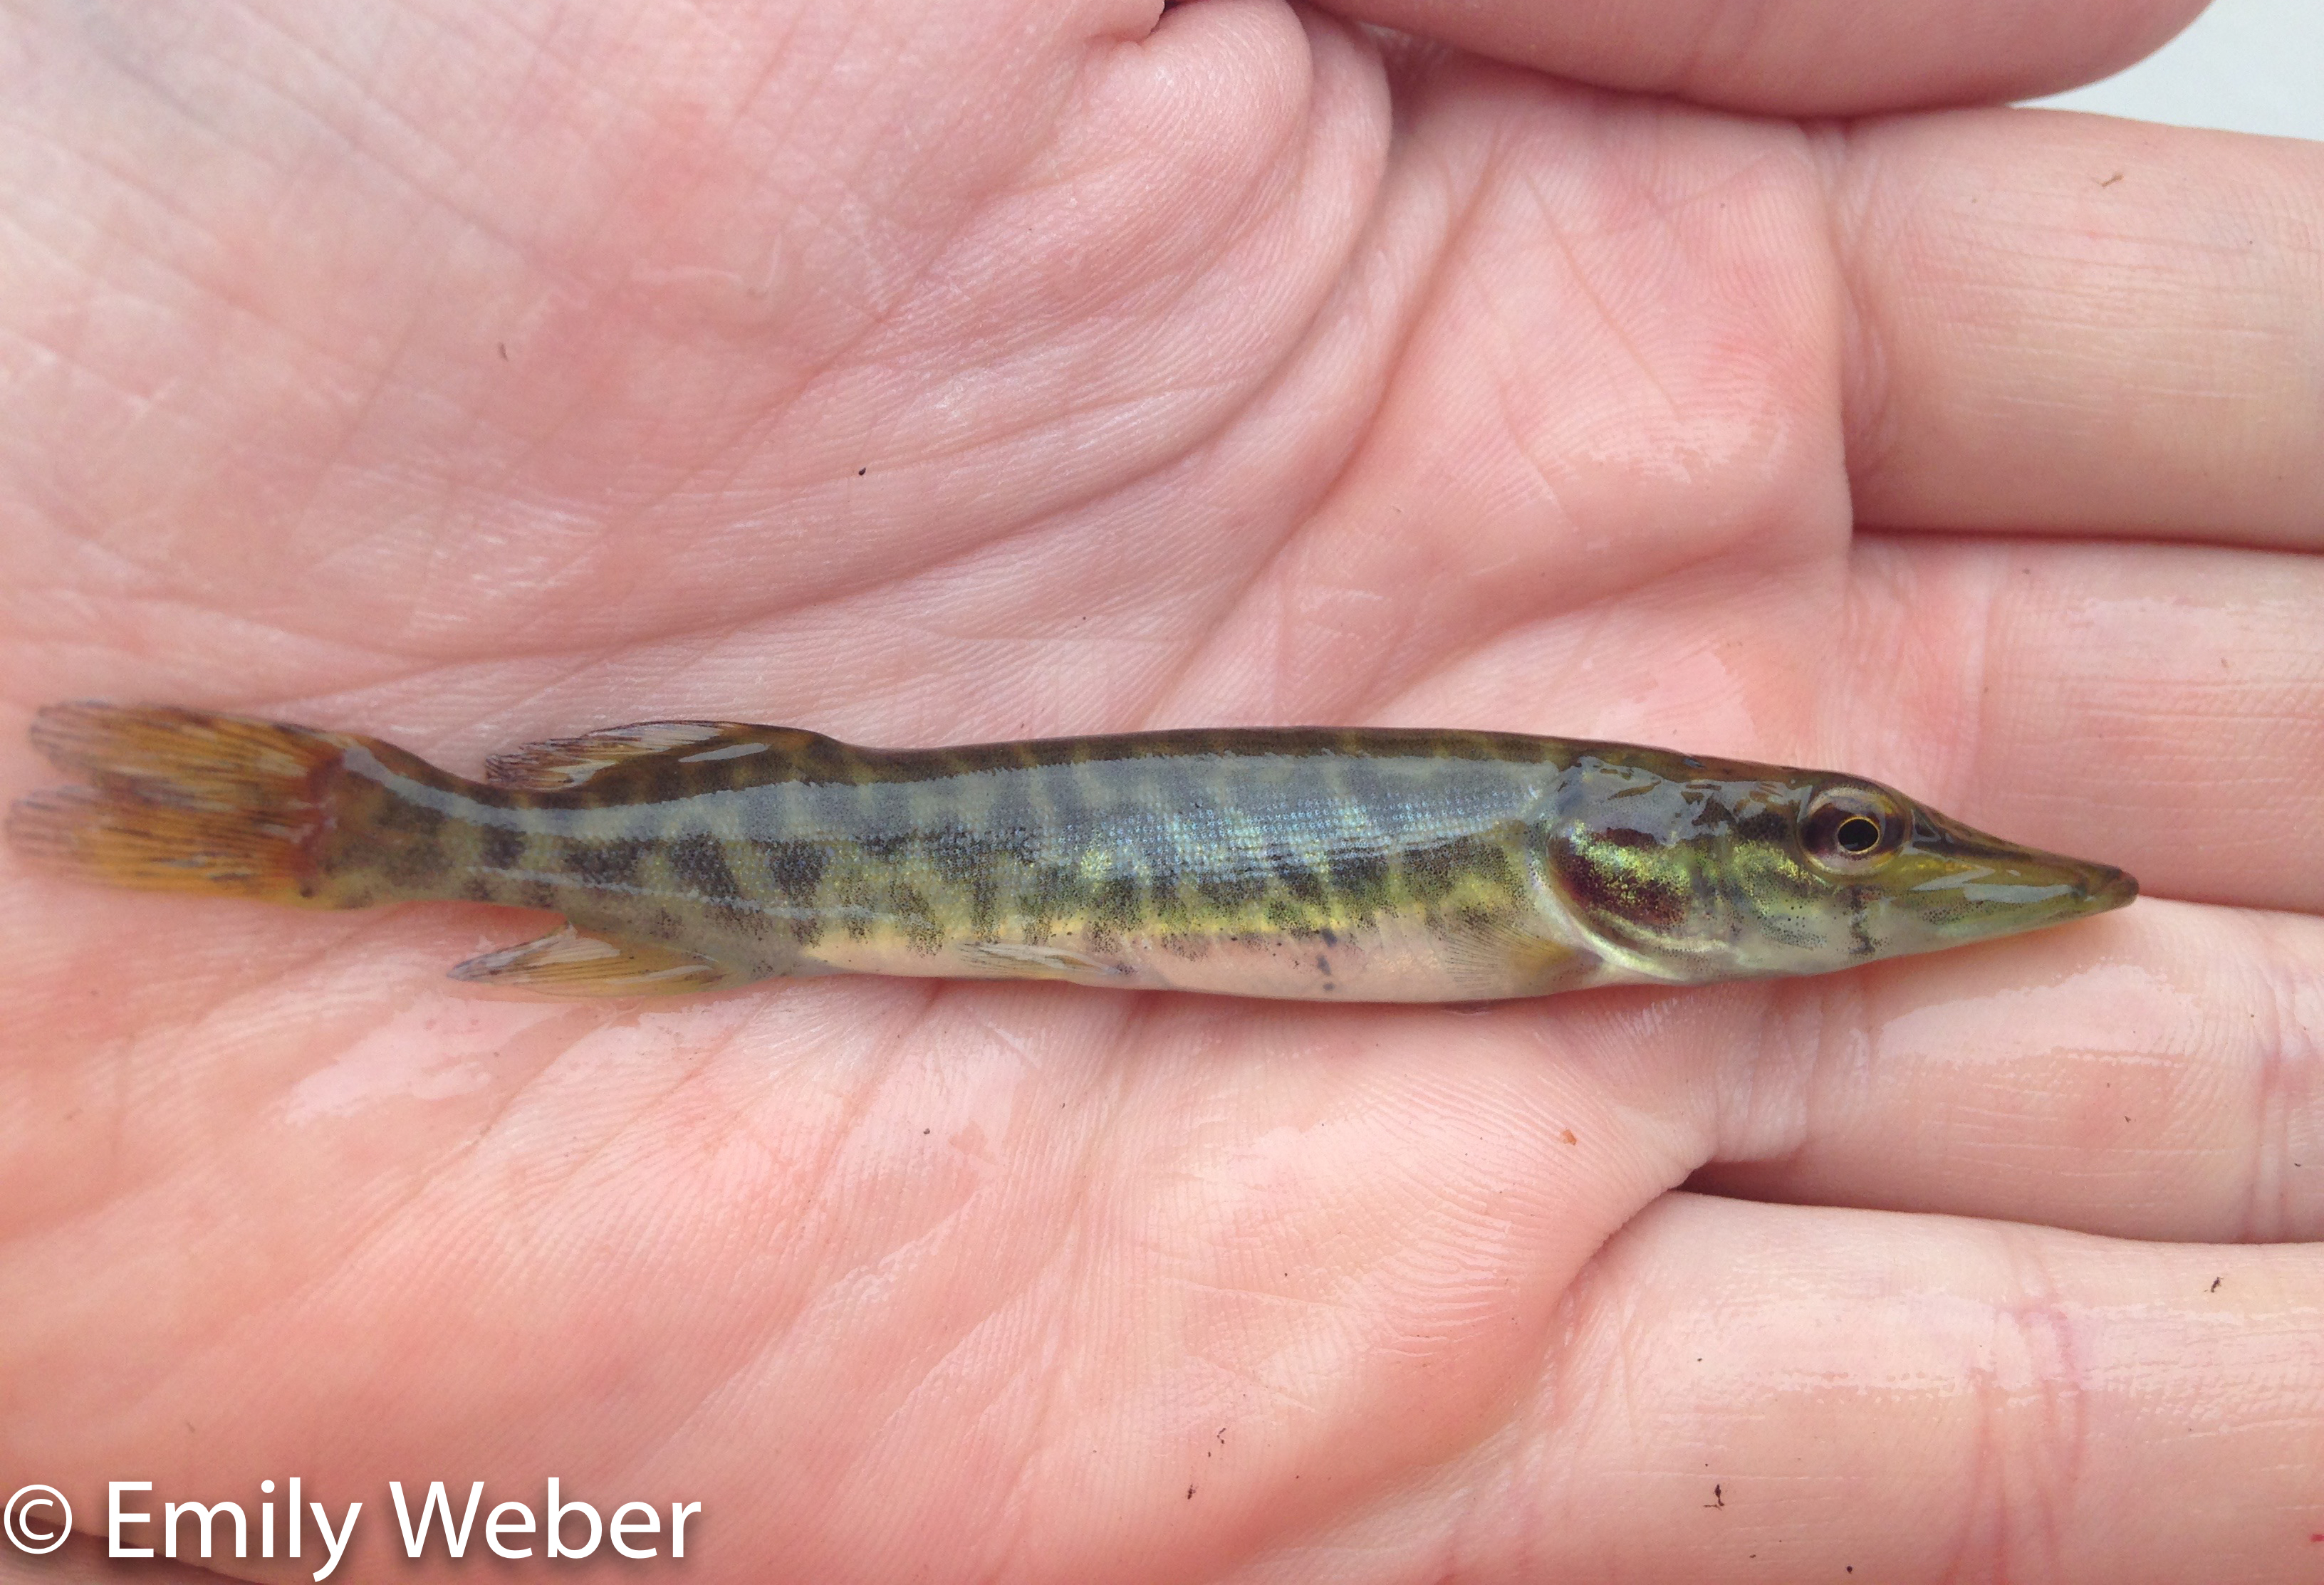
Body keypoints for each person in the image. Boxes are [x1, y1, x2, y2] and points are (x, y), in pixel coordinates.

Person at [3, 0, 2318, 1578]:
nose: (1882, 871)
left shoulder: (1552, 886)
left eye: (1851, 847)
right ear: (1658, 868)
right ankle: (356, 835)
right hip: (744, 853)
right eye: (1836, 846)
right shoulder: (1561, 881)